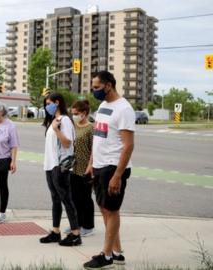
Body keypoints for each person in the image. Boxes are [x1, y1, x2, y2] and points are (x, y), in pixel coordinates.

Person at [83, 71, 135, 269]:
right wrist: (91, 163)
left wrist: (118, 175)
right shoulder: (104, 105)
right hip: (99, 165)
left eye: (96, 87)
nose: (93, 91)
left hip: (113, 167)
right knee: (105, 209)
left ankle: (106, 256)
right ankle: (117, 252)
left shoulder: (124, 109)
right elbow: (99, 137)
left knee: (111, 210)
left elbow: (128, 145)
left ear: (109, 85)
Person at [39, 92, 81, 247]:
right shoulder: (53, 120)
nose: (47, 106)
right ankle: (55, 232)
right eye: (46, 104)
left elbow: (68, 143)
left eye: (49, 103)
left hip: (60, 166)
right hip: (50, 165)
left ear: (57, 102)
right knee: (55, 199)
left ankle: (76, 234)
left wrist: (57, 130)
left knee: (66, 199)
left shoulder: (65, 121)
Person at [68, 100, 95, 237]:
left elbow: (94, 150)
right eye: (72, 113)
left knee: (85, 198)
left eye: (76, 113)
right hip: (73, 167)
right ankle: (76, 224)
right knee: (74, 197)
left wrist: (90, 167)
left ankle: (88, 226)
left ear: (84, 113)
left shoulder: (91, 128)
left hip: (86, 169)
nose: (74, 116)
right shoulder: (73, 126)